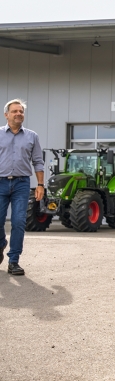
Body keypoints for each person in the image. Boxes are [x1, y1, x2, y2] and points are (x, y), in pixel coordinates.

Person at [0, 99, 45, 276]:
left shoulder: (32, 136)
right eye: (15, 111)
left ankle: (13, 261)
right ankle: (1, 243)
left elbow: (38, 161)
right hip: (0, 182)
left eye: (21, 111)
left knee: (19, 222)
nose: (19, 114)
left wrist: (40, 184)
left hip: (21, 184)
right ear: (6, 115)